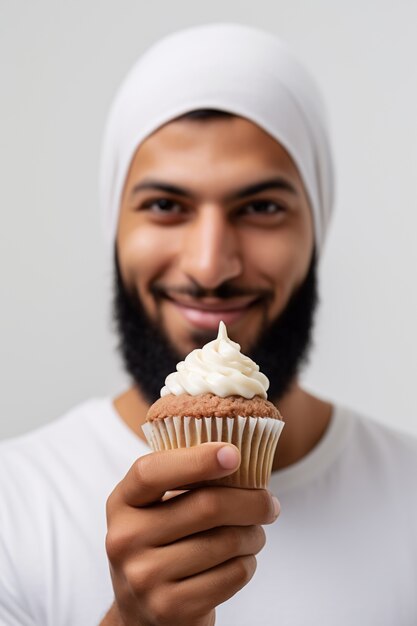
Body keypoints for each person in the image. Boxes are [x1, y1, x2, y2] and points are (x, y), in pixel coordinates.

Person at [1, 22, 417, 626]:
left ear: (315, 230)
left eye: (262, 207)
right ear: (115, 228)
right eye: (166, 206)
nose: (209, 266)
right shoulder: (14, 505)